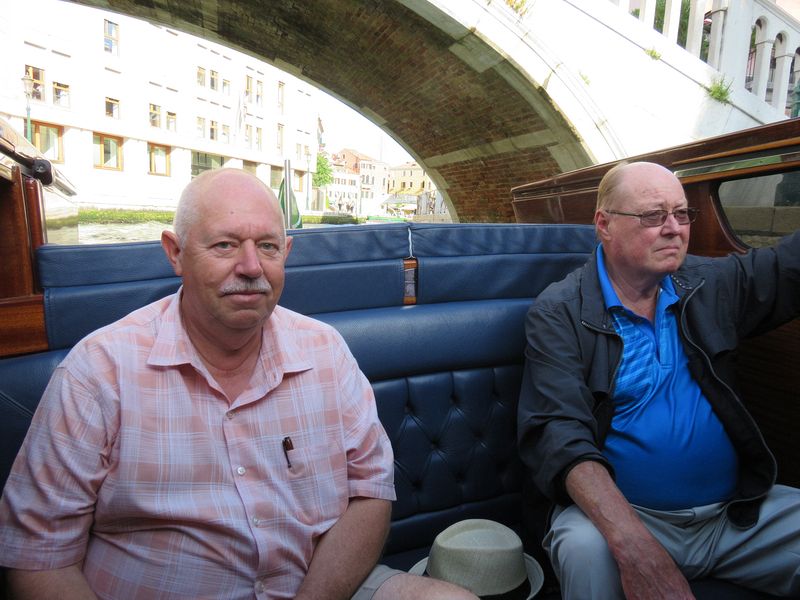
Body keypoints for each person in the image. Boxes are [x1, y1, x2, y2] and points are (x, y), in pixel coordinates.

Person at [0, 168, 477, 600]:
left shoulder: (325, 351)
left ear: (285, 253)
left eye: (267, 246)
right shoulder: (98, 371)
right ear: (175, 253)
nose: (251, 267)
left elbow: (370, 492)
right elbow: (39, 556)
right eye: (225, 245)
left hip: (318, 583)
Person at [517, 161, 800, 599]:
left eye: (682, 214)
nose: (674, 229)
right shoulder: (559, 312)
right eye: (654, 216)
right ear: (604, 225)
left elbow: (787, 269)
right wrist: (634, 547)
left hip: (734, 515)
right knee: (582, 547)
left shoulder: (710, 284)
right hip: (627, 517)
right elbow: (559, 435)